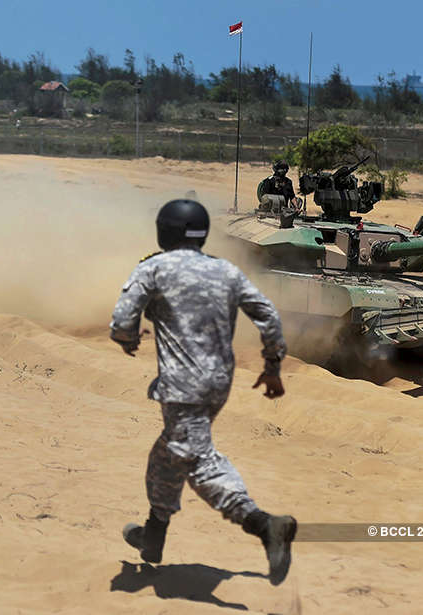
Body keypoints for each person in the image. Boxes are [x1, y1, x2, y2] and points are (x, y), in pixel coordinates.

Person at [110, 198, 297, 585]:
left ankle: (264, 524)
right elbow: (267, 314)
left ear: (164, 232)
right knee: (167, 454)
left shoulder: (154, 268)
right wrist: (273, 367)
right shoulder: (225, 271)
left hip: (183, 385)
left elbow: (122, 320)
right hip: (218, 383)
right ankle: (153, 535)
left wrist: (127, 339)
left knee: (196, 460)